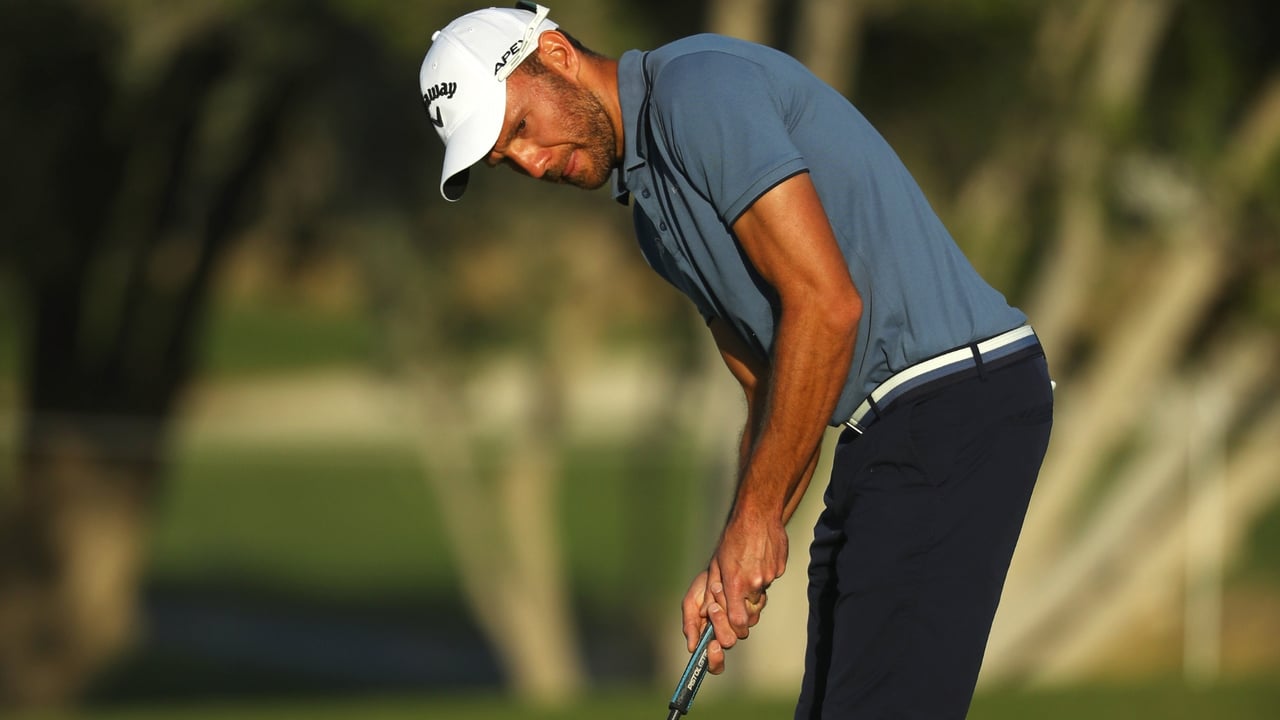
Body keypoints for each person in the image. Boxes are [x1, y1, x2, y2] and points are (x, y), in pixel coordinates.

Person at [419, 4, 1054, 717]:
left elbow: (825, 305)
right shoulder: (654, 220)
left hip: (952, 401)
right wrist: (732, 556)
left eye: (522, 130)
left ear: (558, 55)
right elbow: (767, 386)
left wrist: (758, 525)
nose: (531, 164)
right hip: (890, 429)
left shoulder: (698, 91)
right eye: (508, 159)